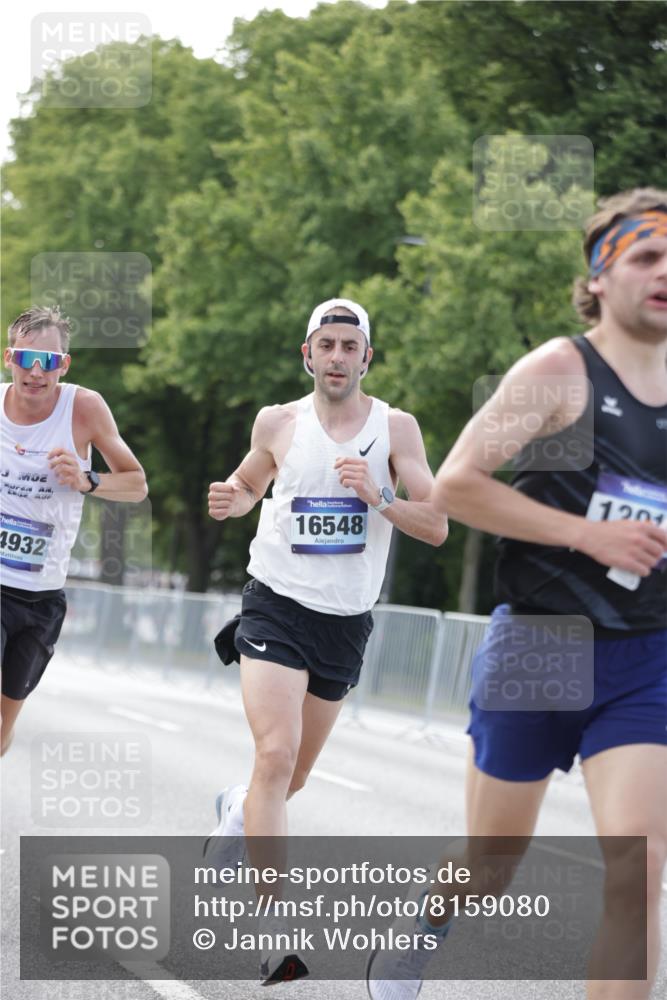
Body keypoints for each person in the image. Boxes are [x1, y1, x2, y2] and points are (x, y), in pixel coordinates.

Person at [367, 188, 667, 1000]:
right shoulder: (562, 373)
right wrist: (585, 535)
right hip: (541, 647)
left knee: (636, 875)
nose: (663, 272)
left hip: (644, 659)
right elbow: (455, 487)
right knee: (492, 864)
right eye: (645, 255)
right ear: (599, 277)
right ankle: (420, 932)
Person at [206, 297, 448, 984]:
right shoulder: (277, 421)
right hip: (275, 603)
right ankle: (271, 935)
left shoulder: (396, 428)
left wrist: (378, 497)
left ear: (366, 357)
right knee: (276, 757)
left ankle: (234, 815)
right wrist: (234, 495)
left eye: (350, 345)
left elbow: (436, 525)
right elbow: (253, 479)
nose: (337, 356)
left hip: (344, 621)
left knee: (291, 777)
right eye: (326, 344)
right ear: (306, 354)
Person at [1, 306, 148, 754]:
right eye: (26, 359)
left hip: (42, 595)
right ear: (10, 359)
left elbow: (137, 484)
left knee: (3, 728)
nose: (35, 372)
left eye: (48, 361)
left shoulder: (83, 408)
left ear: (64, 364)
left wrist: (88, 480)